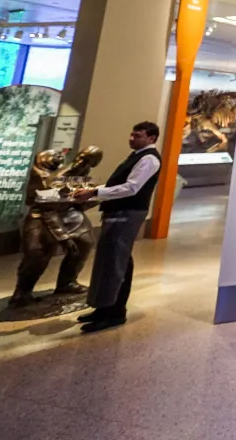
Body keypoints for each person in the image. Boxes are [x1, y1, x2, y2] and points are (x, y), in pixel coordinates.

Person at [72, 121, 162, 332]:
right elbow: (118, 184)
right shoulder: (137, 156)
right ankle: (103, 307)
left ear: (151, 138)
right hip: (118, 212)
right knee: (110, 260)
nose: (132, 139)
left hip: (127, 213)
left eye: (138, 136)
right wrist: (94, 191)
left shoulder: (148, 159)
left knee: (116, 262)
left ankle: (114, 311)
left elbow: (131, 188)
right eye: (132, 134)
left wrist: (95, 193)